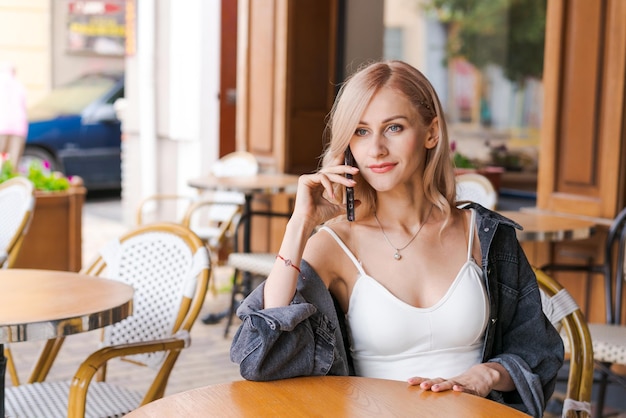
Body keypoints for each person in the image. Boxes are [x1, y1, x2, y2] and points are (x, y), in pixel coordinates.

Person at [230, 60, 563, 417]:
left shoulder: (484, 235)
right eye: (360, 131)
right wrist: (299, 225)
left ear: (431, 133)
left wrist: (485, 375)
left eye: (393, 127)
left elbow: (537, 350)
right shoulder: (335, 245)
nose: (376, 149)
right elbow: (260, 357)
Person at [0, 63, 28, 168]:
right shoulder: (19, 86)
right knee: (13, 162)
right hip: (18, 128)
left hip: (1, 126)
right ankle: (10, 183)